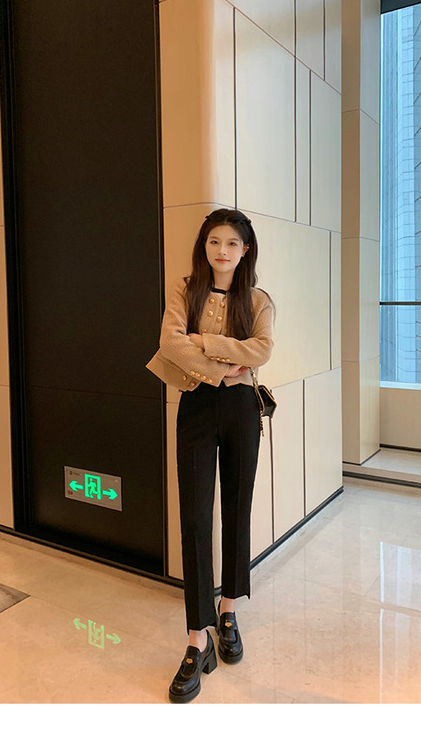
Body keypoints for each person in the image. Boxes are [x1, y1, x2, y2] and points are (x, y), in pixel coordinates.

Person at [146, 208, 274, 703]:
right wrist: (223, 366)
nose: (222, 251)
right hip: (197, 406)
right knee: (196, 519)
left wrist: (204, 342)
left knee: (237, 509)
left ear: (245, 250)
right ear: (205, 246)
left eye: (232, 243)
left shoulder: (258, 300)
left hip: (242, 410)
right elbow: (169, 343)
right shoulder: (185, 292)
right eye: (214, 241)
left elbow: (261, 351)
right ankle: (197, 638)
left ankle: (229, 611)